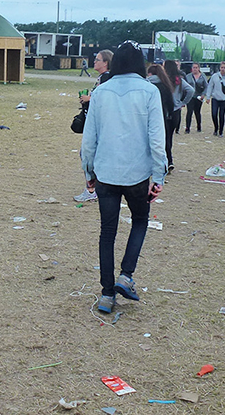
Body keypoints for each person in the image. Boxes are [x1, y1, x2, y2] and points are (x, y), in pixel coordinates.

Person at [82, 43, 166, 314]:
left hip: (106, 172)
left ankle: (107, 294)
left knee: (107, 232)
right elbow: (157, 139)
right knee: (140, 220)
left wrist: (89, 171)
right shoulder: (149, 91)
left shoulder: (101, 92)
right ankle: (126, 275)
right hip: (137, 174)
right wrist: (159, 174)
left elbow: (89, 139)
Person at [74, 50, 112, 203]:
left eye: (98, 59)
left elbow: (105, 98)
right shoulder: (103, 78)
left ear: (106, 63)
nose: (94, 62)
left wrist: (88, 98)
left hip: (99, 125)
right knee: (90, 155)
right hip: (98, 122)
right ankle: (95, 188)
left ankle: (92, 189)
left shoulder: (108, 78)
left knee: (87, 155)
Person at [146, 64, 175, 171]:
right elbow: (170, 103)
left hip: (148, 116)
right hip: (163, 116)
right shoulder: (165, 85)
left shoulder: (147, 85)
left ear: (150, 73)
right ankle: (168, 160)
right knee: (164, 140)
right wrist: (171, 114)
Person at [206, 61, 225, 137]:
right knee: (214, 114)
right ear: (219, 68)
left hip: (224, 99)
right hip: (215, 98)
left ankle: (221, 131)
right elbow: (210, 86)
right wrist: (208, 97)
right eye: (222, 67)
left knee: (221, 115)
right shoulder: (214, 76)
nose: (223, 69)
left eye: (224, 68)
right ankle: (216, 128)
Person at [183, 63, 207, 133]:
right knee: (189, 111)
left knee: (197, 112)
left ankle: (199, 126)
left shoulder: (203, 76)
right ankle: (187, 128)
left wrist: (203, 94)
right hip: (190, 97)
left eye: (196, 67)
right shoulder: (188, 76)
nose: (195, 69)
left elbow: (206, 86)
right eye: (194, 67)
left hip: (199, 97)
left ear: (199, 68)